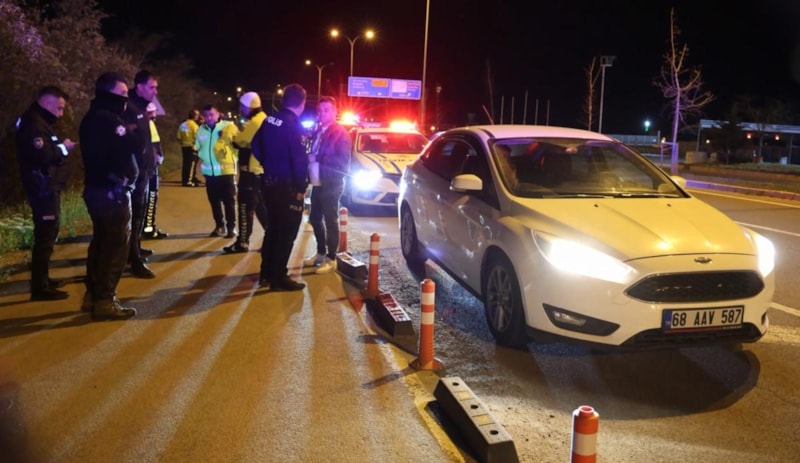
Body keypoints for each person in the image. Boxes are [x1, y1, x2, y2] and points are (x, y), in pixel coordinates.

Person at [79, 71, 139, 320]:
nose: (126, 98)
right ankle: (105, 300)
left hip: (99, 189)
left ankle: (93, 295)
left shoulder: (92, 117)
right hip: (111, 192)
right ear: (108, 93)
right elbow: (134, 144)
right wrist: (134, 125)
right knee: (114, 247)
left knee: (101, 243)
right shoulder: (108, 120)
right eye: (123, 93)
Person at [14, 86, 77, 300]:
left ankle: (43, 280)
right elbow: (44, 156)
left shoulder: (38, 122)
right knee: (46, 235)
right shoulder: (34, 125)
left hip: (45, 186)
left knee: (48, 233)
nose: (61, 113)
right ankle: (40, 288)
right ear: (47, 103)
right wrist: (65, 148)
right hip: (42, 187)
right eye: (59, 108)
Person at [252, 83, 308, 291]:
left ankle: (266, 273)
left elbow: (255, 145)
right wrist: (301, 188)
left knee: (273, 228)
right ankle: (278, 277)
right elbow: (300, 161)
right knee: (286, 232)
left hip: (268, 181)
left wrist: (268, 163)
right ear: (302, 103)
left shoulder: (270, 120)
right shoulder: (295, 126)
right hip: (287, 186)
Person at [302, 96, 351, 274]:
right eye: (320, 110)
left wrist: (317, 158)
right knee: (315, 218)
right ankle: (321, 252)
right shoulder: (319, 130)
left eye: (327, 110)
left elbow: (343, 162)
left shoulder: (340, 133)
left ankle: (331, 258)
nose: (322, 114)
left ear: (335, 112)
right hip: (318, 182)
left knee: (330, 220)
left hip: (332, 182)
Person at [122, 69, 158, 279]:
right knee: (134, 215)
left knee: (139, 214)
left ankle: (135, 247)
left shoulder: (142, 108)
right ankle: (133, 258)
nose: (155, 91)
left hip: (143, 171)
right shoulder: (129, 108)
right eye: (152, 87)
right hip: (134, 173)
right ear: (140, 87)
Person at [223, 91, 268, 253]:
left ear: (250, 106)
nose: (241, 109)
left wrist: (230, 135)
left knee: (244, 207)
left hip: (250, 172)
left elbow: (240, 140)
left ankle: (242, 242)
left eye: (243, 106)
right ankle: (272, 239)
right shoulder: (263, 118)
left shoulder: (255, 122)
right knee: (261, 208)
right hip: (259, 172)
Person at [195, 104, 239, 238]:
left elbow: (238, 144)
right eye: (206, 115)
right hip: (209, 173)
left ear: (218, 114)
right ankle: (219, 226)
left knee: (229, 201)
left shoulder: (228, 127)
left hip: (226, 172)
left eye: (211, 114)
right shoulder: (201, 129)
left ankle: (231, 227)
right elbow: (198, 146)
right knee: (214, 201)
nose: (209, 118)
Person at [142, 102, 169, 240]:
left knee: (143, 199)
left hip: (142, 167)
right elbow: (155, 144)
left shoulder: (136, 122)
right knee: (151, 196)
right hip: (150, 166)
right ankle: (148, 228)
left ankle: (142, 229)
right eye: (153, 112)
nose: (155, 115)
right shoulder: (148, 123)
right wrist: (159, 156)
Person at [177, 109, 203, 187]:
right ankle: (189, 181)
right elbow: (197, 137)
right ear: (195, 116)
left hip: (184, 146)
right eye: (197, 115)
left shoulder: (183, 124)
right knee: (191, 164)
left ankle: (185, 179)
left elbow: (178, 136)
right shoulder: (194, 125)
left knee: (186, 164)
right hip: (192, 146)